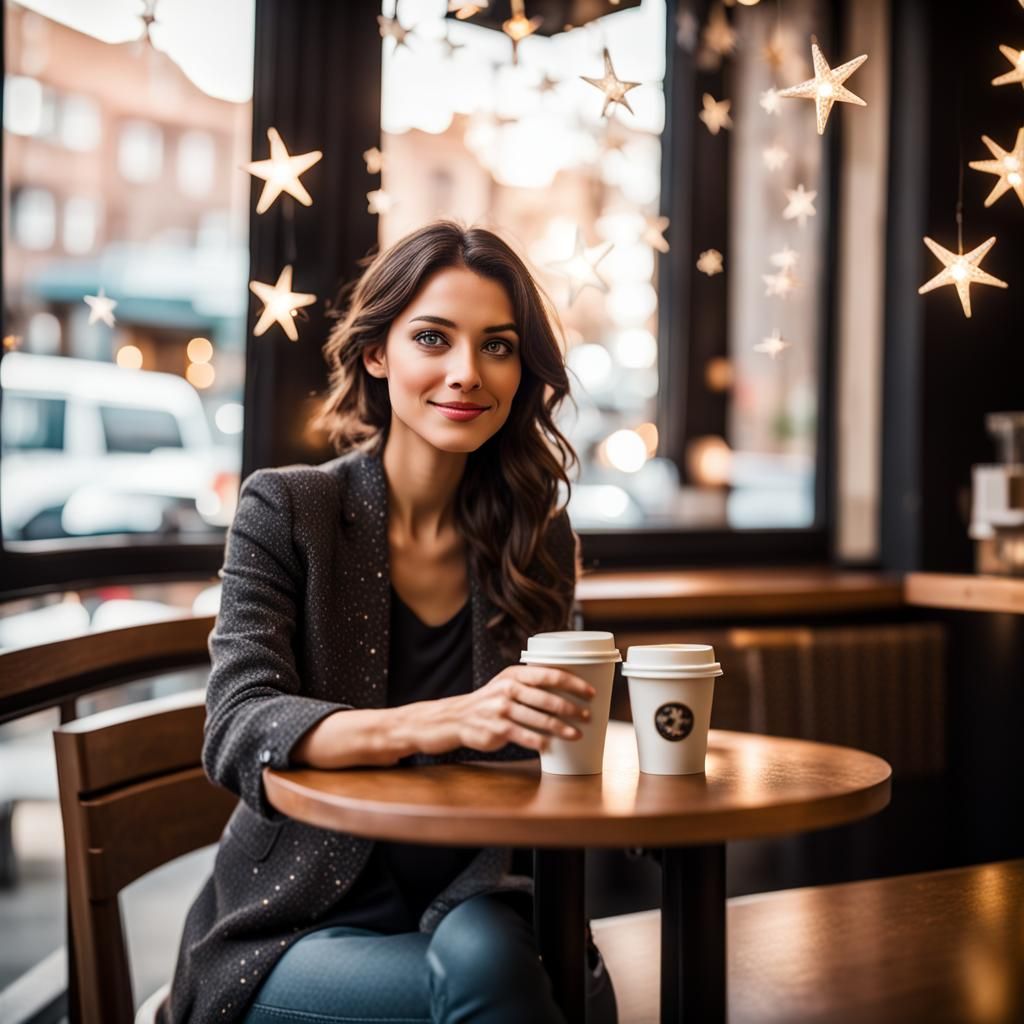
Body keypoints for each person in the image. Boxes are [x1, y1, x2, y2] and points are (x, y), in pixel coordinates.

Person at [158, 221, 618, 1024]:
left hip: (477, 893)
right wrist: (445, 720)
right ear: (377, 353)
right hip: (296, 919)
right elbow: (237, 726)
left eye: (498, 346)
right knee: (523, 996)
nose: (466, 372)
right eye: (433, 338)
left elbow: (550, 749)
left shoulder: (534, 534)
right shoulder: (288, 508)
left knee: (514, 972)